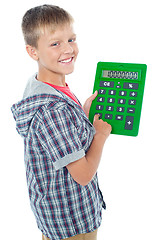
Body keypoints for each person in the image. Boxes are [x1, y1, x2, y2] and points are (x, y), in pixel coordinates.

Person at [11, 4, 112, 240]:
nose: (68, 49)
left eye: (71, 39)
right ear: (33, 51)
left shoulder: (47, 86)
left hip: (60, 216)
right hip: (72, 223)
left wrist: (82, 116)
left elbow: (63, 139)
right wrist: (99, 135)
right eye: (55, 43)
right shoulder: (52, 110)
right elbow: (83, 174)